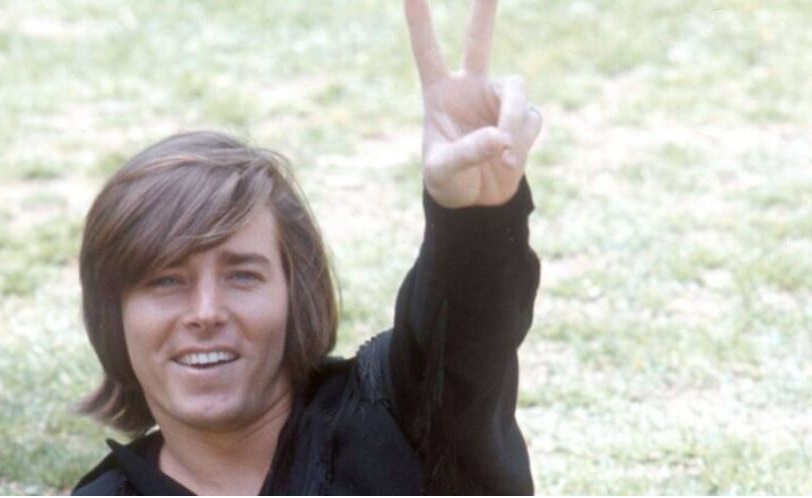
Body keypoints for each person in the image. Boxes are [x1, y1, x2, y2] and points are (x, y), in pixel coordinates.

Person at [72, 0, 542, 494]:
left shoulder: (396, 409)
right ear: (114, 315)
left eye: (242, 275)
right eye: (166, 281)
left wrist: (473, 217)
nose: (206, 313)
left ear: (295, 295)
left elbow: (465, 328)